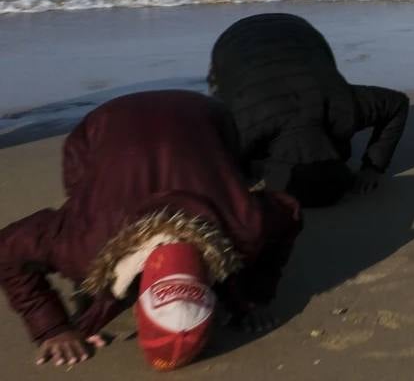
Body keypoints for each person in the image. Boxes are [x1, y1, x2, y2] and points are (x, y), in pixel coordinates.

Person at [0, 90, 301, 370]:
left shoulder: (246, 224)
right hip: (105, 122)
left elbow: (290, 211)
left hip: (205, 114)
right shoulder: (83, 243)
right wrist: (53, 329)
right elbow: (7, 249)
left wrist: (252, 297)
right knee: (85, 203)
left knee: (228, 180)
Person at [208, 13, 410, 208]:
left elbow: (397, 103)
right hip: (236, 43)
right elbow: (397, 104)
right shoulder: (243, 128)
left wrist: (372, 168)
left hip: (299, 34)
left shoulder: (343, 110)